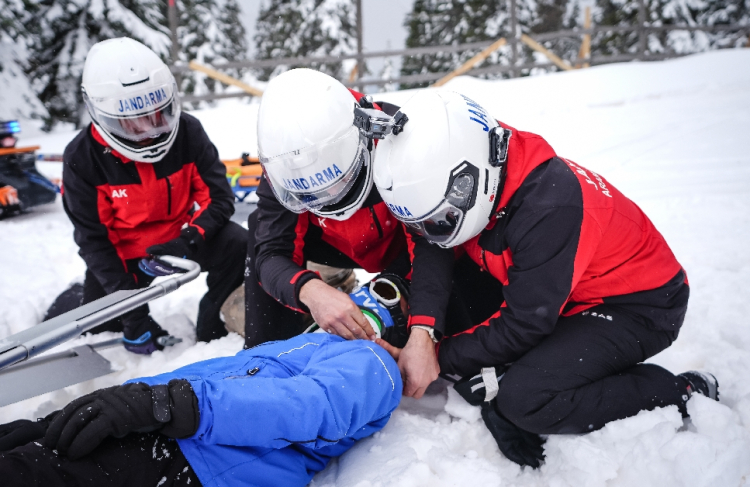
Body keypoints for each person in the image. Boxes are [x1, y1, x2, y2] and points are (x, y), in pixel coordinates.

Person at [372, 90, 718, 466]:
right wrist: (424, 332)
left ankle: (680, 390)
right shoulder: (470, 158)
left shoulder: (548, 208)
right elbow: (431, 247)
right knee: (457, 324)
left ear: (467, 182)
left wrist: (437, 355)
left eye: (439, 220)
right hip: (563, 287)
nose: (430, 231)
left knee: (527, 399)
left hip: (638, 305)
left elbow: (524, 324)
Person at [0, 331, 402, 487]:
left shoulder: (370, 358)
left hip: (199, 459)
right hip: (163, 433)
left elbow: (311, 407)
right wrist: (115, 406)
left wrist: (164, 405)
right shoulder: (304, 345)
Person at [60, 37, 245, 354]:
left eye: (158, 115)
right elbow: (94, 241)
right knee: (102, 326)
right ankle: (77, 299)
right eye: (132, 125)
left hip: (182, 238)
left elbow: (219, 199)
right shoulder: (82, 158)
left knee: (238, 244)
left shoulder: (188, 132)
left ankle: (212, 329)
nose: (150, 132)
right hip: (125, 254)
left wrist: (188, 240)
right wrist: (133, 314)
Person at [244, 68, 413, 348]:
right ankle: (266, 349)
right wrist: (308, 289)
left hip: (401, 240)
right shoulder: (283, 161)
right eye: (310, 194)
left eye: (337, 183)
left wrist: (393, 285)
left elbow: (433, 245)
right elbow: (271, 252)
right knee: (258, 228)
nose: (328, 199)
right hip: (337, 243)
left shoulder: (399, 137)